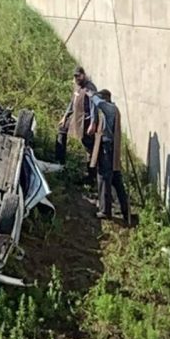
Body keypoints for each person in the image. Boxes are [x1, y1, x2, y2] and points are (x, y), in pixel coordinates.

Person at [88, 90, 131, 226]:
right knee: (116, 179)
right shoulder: (113, 110)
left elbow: (98, 102)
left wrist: (91, 94)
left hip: (107, 148)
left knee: (104, 177)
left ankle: (105, 211)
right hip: (110, 148)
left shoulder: (109, 108)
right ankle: (124, 210)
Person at [56, 68, 97, 177]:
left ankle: (91, 175)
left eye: (78, 76)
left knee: (89, 146)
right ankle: (60, 163)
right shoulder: (77, 86)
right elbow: (72, 102)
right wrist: (65, 116)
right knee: (62, 129)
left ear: (83, 75)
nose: (77, 78)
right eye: (75, 76)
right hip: (75, 117)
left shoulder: (90, 88)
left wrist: (93, 122)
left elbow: (94, 106)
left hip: (86, 120)